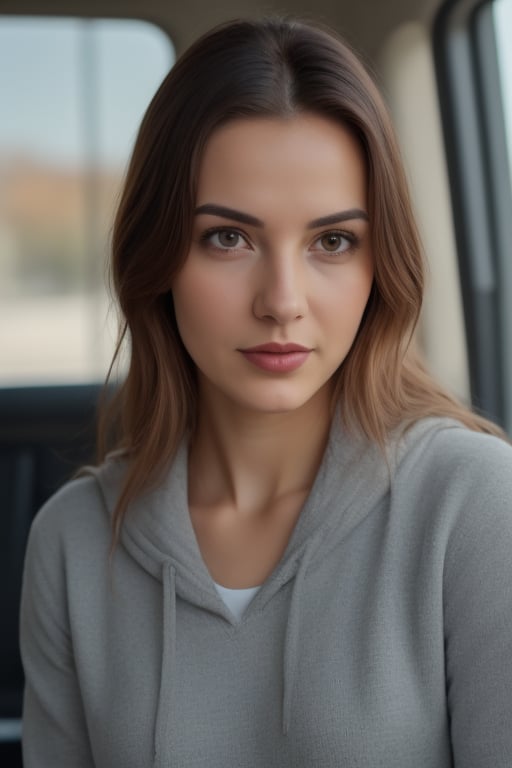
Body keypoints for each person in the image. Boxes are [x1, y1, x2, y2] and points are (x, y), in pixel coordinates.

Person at [20, 16, 512, 768]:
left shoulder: (475, 506)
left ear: (381, 265)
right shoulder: (74, 543)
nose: (282, 300)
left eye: (332, 242)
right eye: (228, 237)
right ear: (157, 258)